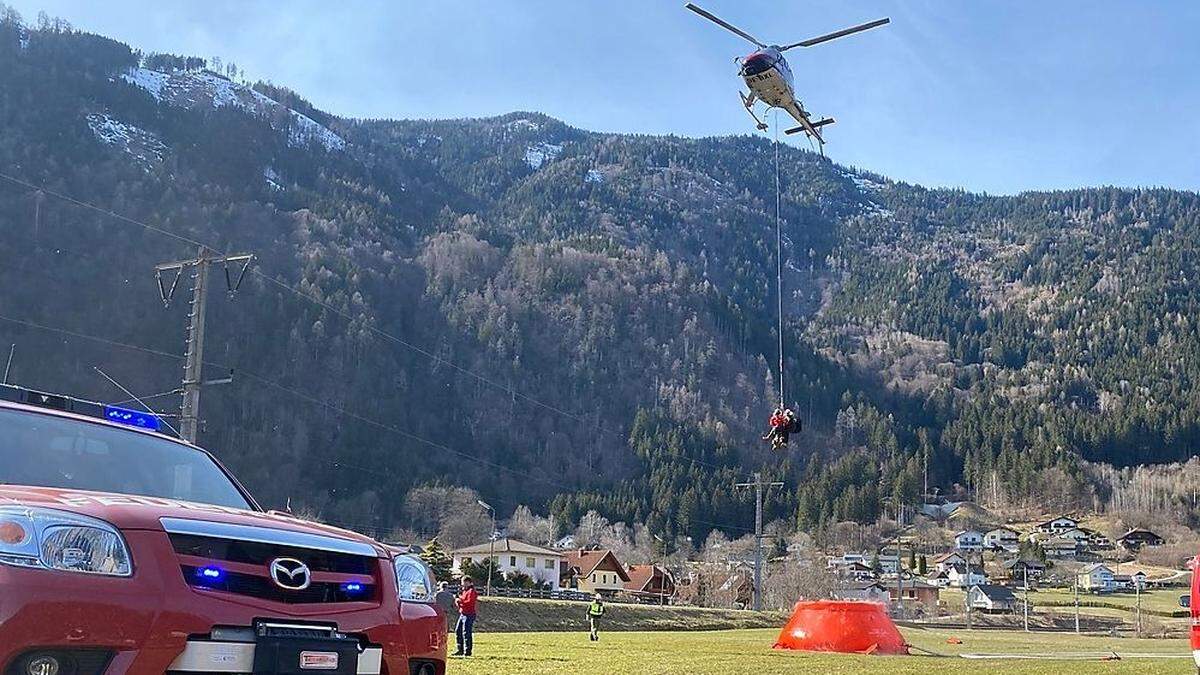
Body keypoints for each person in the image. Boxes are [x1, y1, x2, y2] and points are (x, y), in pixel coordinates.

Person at [453, 576, 478, 657]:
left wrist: (459, 600)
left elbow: (469, 602)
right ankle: (460, 649)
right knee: (458, 631)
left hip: (469, 614)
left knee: (466, 632)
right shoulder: (464, 591)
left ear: (470, 583)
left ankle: (467, 651)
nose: (463, 584)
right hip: (463, 613)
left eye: (464, 582)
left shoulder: (471, 591)